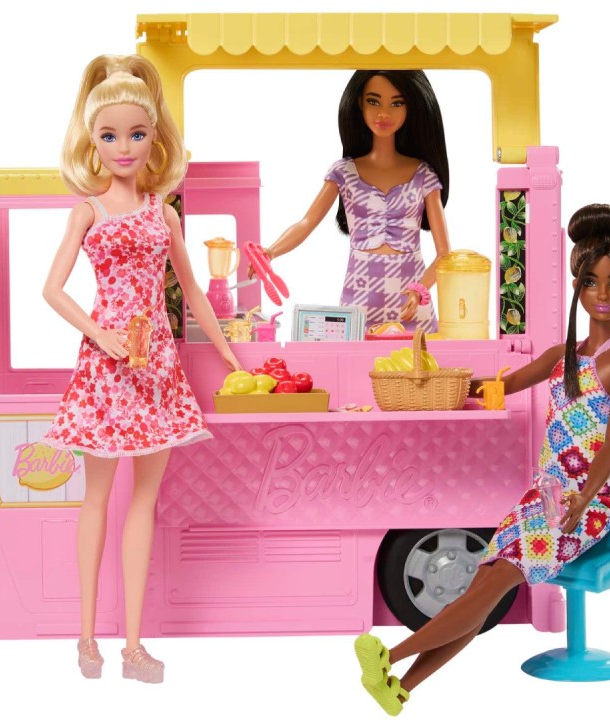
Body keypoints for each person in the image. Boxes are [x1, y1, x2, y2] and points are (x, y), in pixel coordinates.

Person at [353, 204, 610, 715]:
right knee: (483, 586)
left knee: (492, 582)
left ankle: (391, 658)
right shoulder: (561, 357)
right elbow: (499, 386)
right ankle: (399, 688)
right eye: (591, 282)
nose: (602, 294)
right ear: (577, 287)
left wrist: (581, 503)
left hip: (586, 505)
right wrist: (438, 380)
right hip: (544, 496)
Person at [40, 54, 243, 684]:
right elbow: (52, 290)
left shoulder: (164, 212)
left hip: (156, 369)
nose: (123, 147)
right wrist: (99, 333)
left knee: (144, 503)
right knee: (96, 499)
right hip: (106, 372)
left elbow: (192, 290)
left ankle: (132, 644)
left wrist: (228, 353)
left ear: (155, 138)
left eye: (135, 134)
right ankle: (85, 637)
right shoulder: (88, 210)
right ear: (92, 141)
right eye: (109, 136)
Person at [257, 70, 452, 333]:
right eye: (374, 101)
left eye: (397, 103)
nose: (384, 113)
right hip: (360, 301)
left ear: (411, 107)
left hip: (411, 303)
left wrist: (420, 290)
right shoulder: (344, 173)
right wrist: (270, 252)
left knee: (419, 359)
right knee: (354, 356)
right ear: (359, 103)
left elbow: (444, 253)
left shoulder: (423, 175)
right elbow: (307, 222)